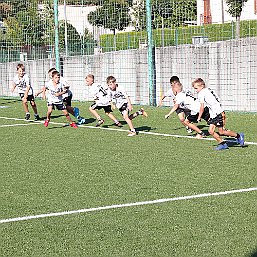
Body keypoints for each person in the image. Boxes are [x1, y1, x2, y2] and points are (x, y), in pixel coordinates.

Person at [192, 78, 244, 150]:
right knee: (212, 131)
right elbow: (217, 100)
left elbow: (202, 107)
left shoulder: (201, 93)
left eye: (196, 88)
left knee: (221, 131)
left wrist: (199, 117)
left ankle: (238, 136)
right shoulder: (209, 90)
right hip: (216, 113)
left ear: (202, 86)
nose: (196, 90)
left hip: (218, 113)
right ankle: (223, 144)